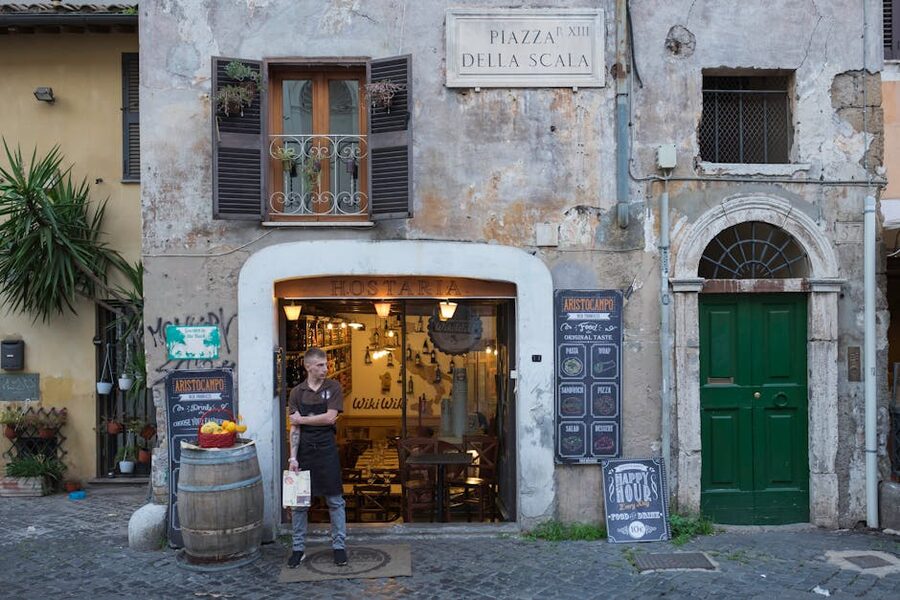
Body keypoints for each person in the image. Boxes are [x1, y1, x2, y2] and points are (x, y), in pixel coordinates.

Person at [287, 347, 348, 567]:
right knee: (299, 504)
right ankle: (297, 548)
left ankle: (339, 546)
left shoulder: (333, 387)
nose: (326, 368)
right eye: (320, 365)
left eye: (326, 364)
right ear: (308, 367)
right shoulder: (297, 392)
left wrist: (302, 420)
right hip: (304, 451)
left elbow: (330, 418)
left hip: (327, 449)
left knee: (335, 500)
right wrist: (292, 458)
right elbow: (294, 430)